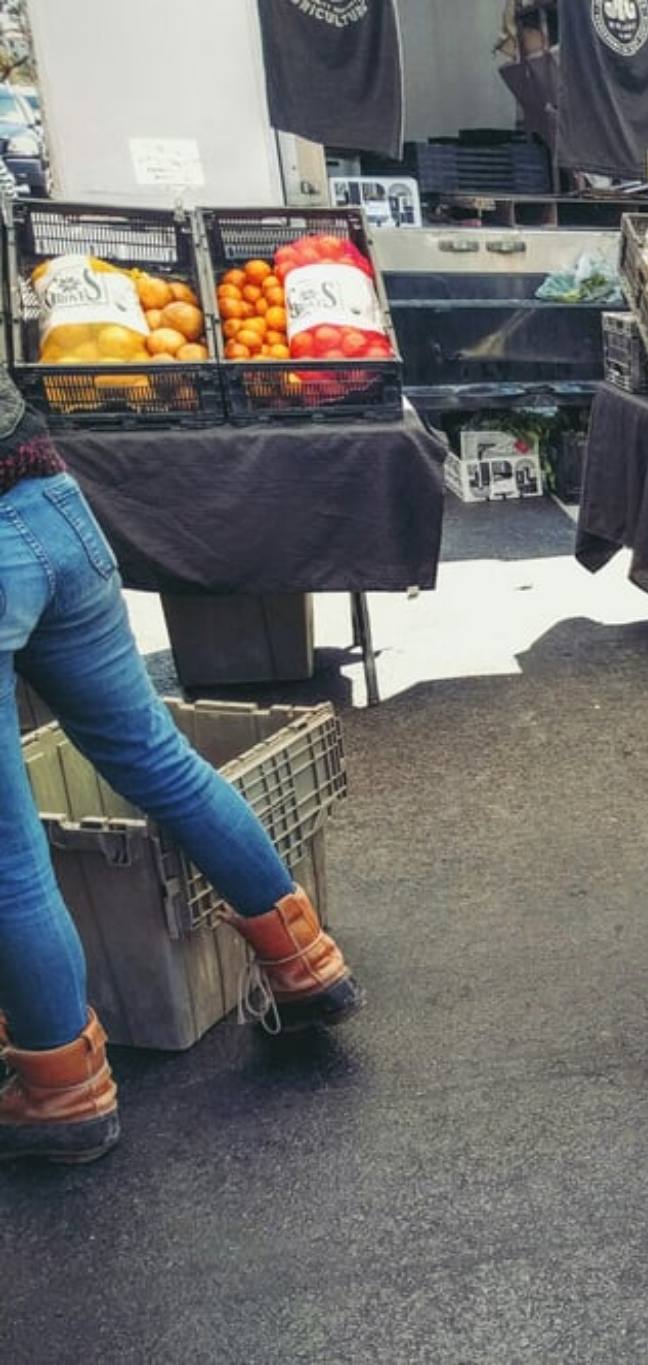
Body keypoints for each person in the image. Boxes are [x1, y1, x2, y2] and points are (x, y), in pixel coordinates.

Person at [0, 388, 363, 1166]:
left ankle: (61, 1085)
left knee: (7, 858)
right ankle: (304, 962)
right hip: (48, 506)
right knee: (157, 757)